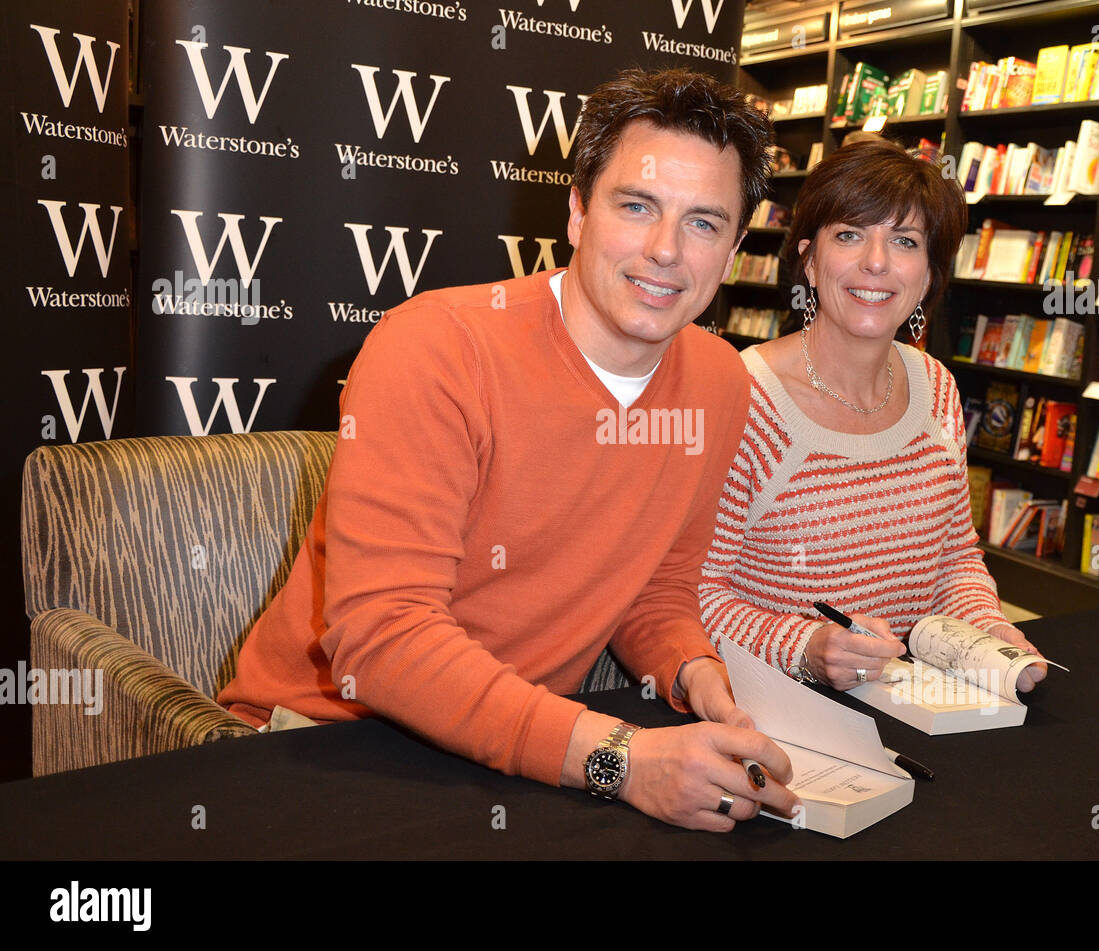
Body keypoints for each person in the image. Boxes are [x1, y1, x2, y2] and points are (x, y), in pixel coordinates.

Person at [217, 67, 799, 832]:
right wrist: (619, 758)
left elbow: (656, 591)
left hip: (524, 747)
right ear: (578, 212)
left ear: (732, 251)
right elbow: (383, 636)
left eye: (702, 222)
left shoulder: (722, 381)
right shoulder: (434, 347)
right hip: (325, 740)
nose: (665, 250)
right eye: (636, 206)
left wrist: (702, 678)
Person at [699, 138, 1048, 693]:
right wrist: (807, 647)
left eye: (905, 241)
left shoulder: (936, 388)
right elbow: (696, 594)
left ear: (929, 275)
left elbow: (955, 559)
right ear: (810, 260)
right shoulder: (744, 398)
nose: (878, 262)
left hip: (915, 703)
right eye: (851, 235)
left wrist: (992, 637)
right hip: (782, 710)